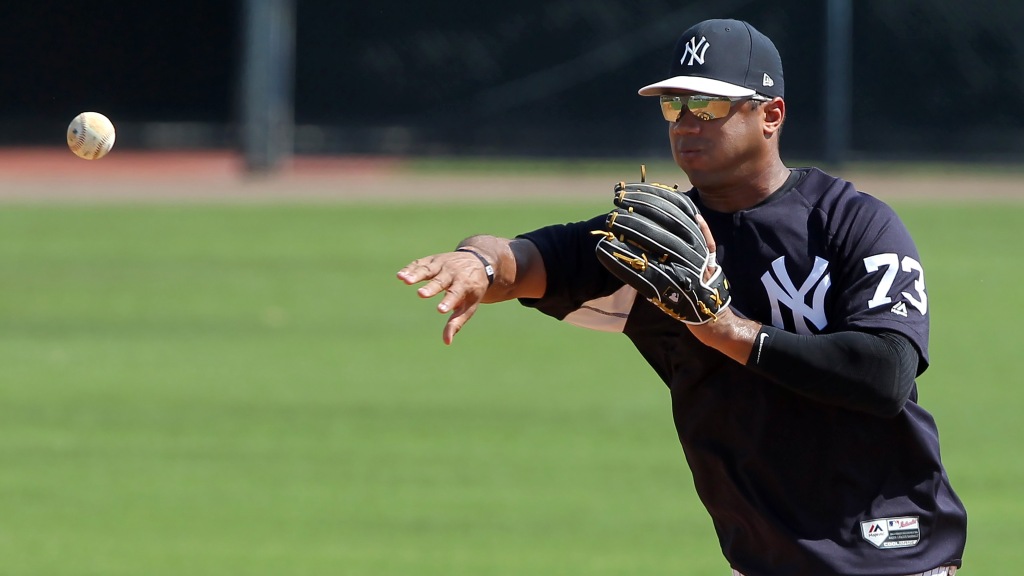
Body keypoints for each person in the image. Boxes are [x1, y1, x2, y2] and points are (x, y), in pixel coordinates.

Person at [397, 18, 967, 576]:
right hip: (764, 560)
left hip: (891, 551)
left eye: (709, 106)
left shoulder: (851, 222)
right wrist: (474, 262)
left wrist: (727, 332)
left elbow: (885, 374)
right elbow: (522, 260)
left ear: (771, 114)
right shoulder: (654, 248)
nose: (686, 122)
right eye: (674, 105)